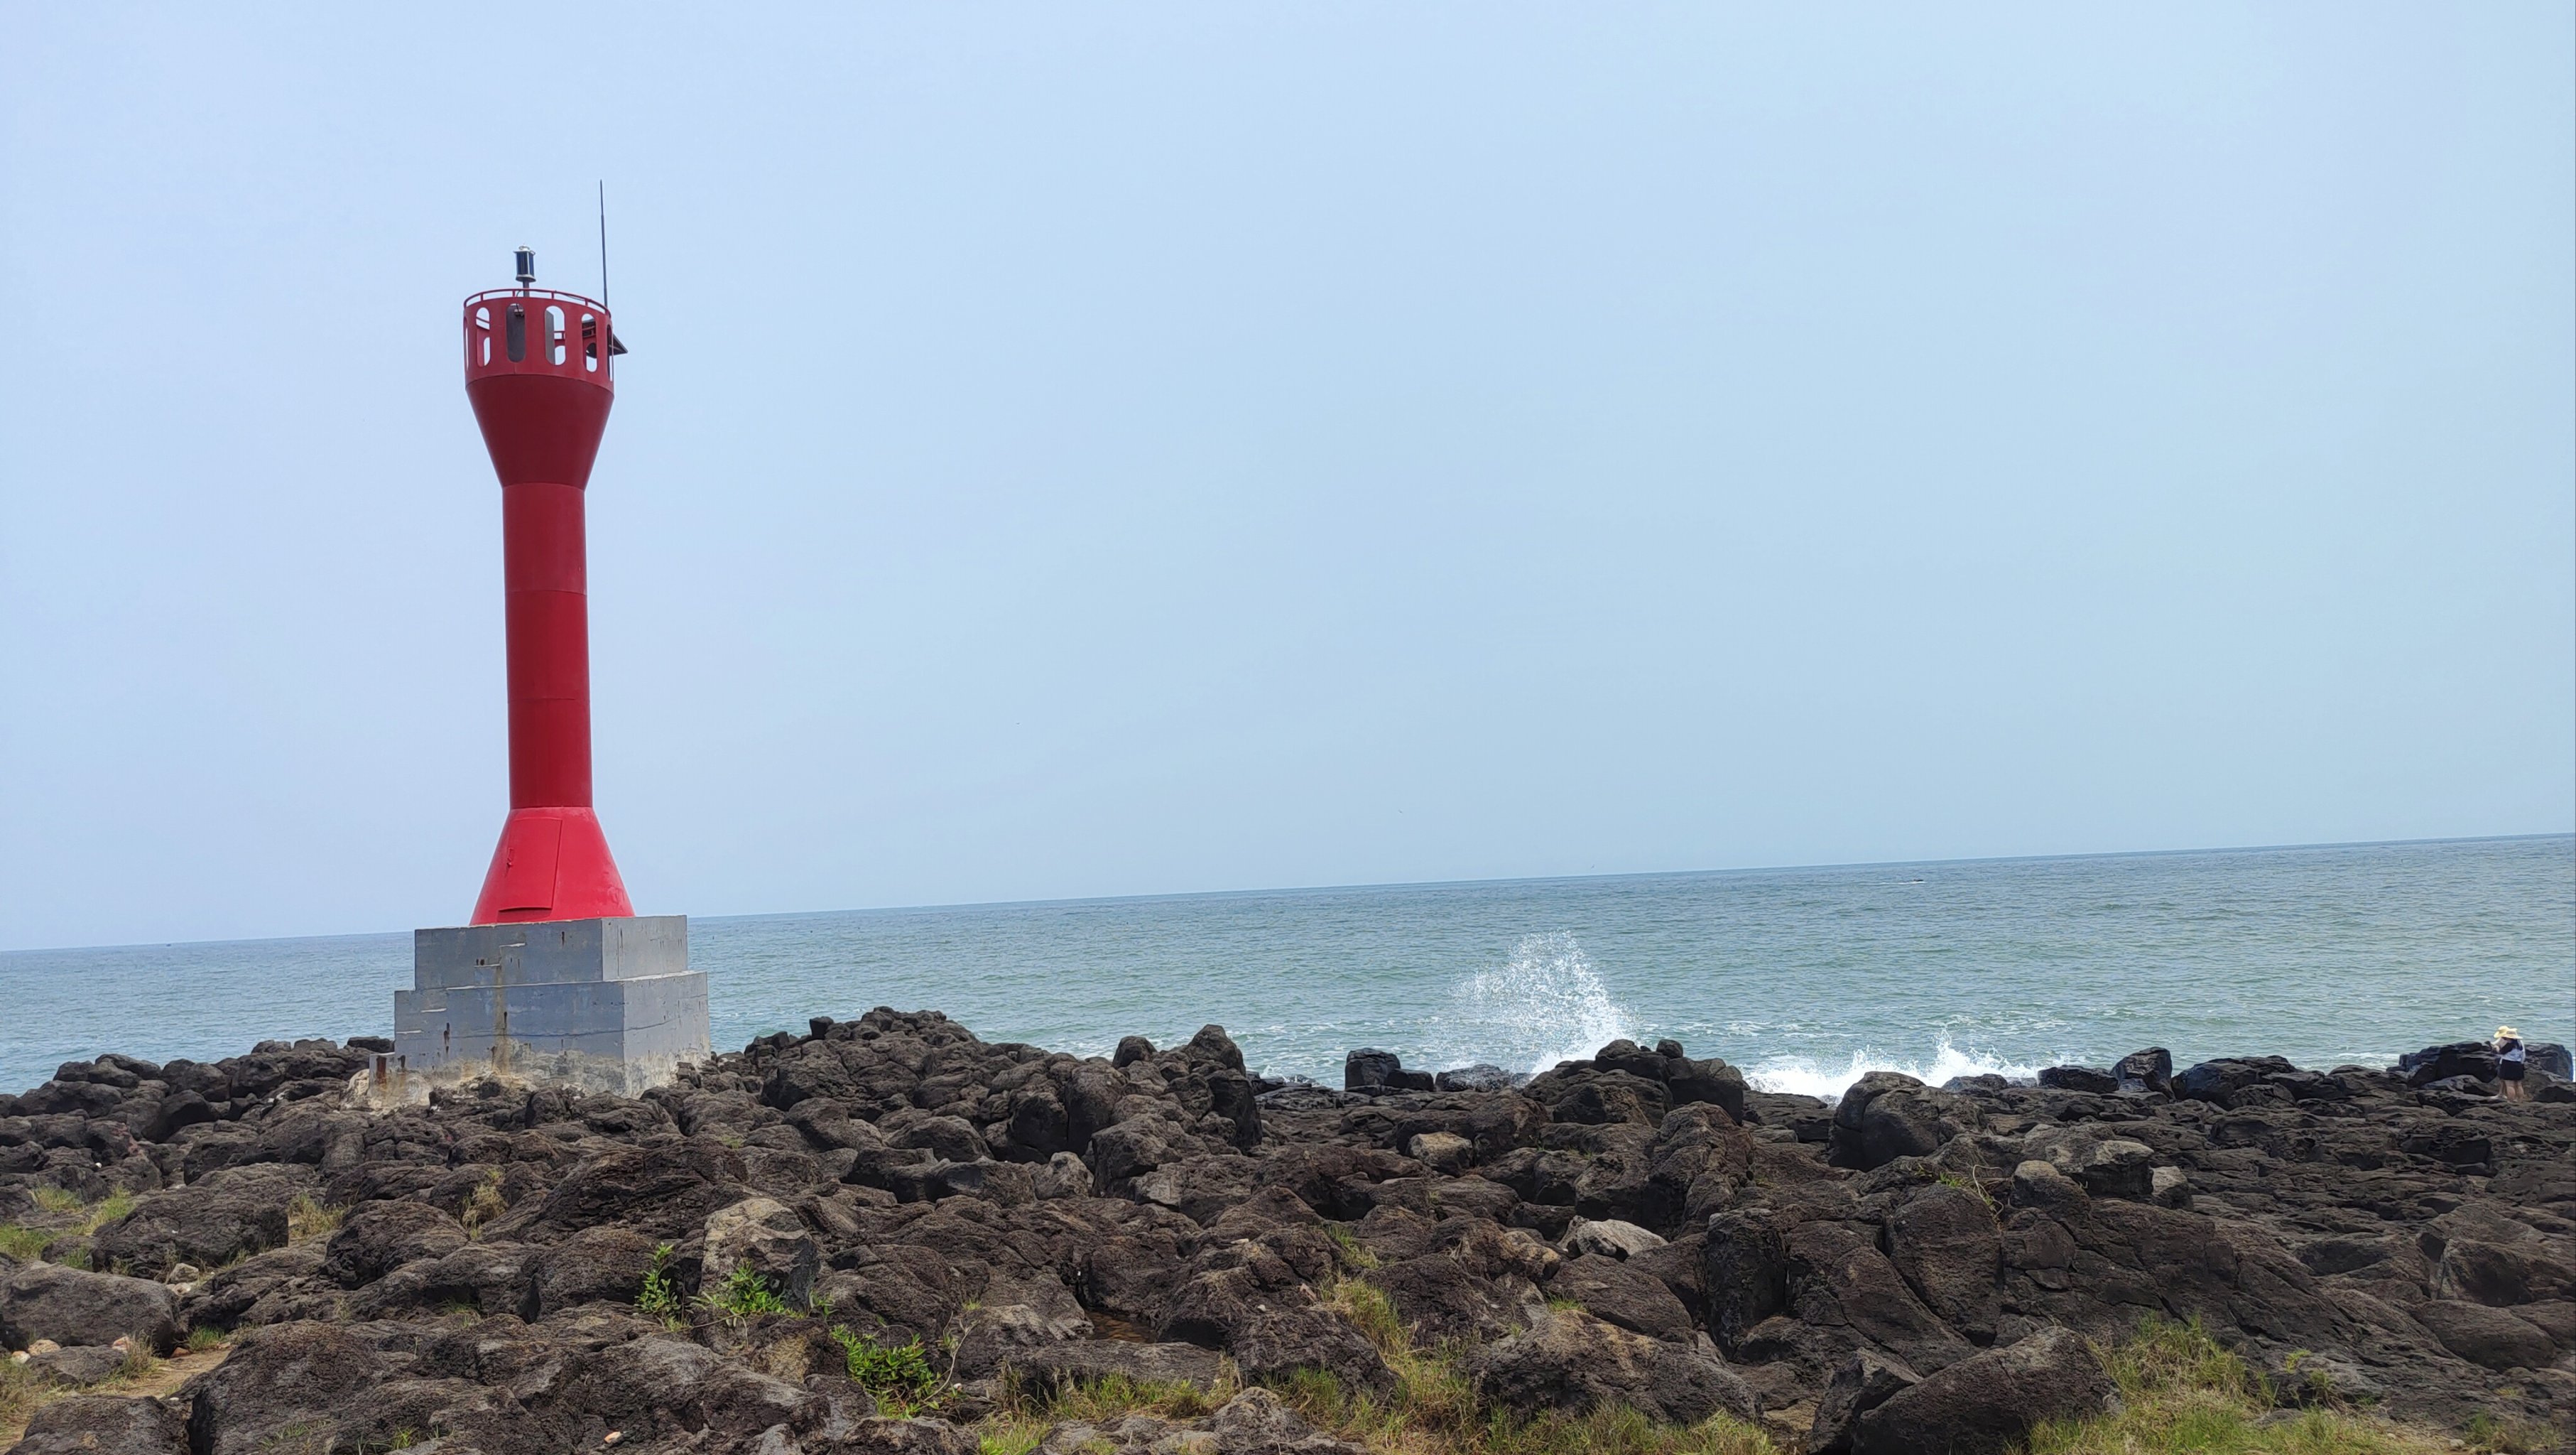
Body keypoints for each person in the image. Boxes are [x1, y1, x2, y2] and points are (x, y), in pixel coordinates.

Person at [2494, 1026, 2526, 1103]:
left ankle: (2510, 1101)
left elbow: (2501, 1053)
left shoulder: (2509, 1045)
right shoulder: (2520, 1044)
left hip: (2508, 1065)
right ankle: (2520, 1100)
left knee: (2510, 1085)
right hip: (2518, 1064)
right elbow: (2523, 1055)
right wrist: (2521, 1063)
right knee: (2519, 1084)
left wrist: (2497, 1048)